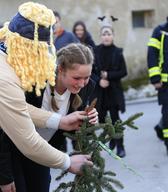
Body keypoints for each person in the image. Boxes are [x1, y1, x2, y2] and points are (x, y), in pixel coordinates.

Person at [0, 2, 93, 192]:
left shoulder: (8, 59)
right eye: (42, 52)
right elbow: (27, 141)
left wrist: (61, 122)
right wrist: (67, 161)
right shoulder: (7, 78)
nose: (45, 59)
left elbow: (18, 108)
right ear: (30, 49)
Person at [92, 22, 127, 158]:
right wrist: (99, 80)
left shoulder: (118, 52)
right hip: (100, 93)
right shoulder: (95, 51)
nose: (106, 36)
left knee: (115, 119)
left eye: (109, 34)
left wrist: (109, 76)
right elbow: (91, 72)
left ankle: (120, 146)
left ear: (113, 36)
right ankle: (111, 140)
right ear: (100, 36)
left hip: (113, 92)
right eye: (104, 34)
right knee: (102, 119)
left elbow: (124, 71)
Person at [147, 17, 168, 153]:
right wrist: (155, 78)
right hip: (165, 84)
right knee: (167, 114)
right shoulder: (160, 31)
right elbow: (152, 55)